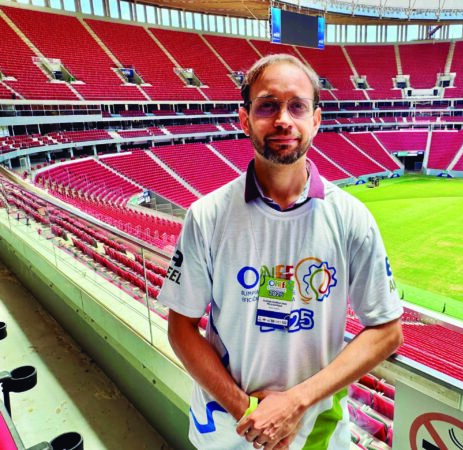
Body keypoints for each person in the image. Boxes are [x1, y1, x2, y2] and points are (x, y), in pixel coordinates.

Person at [158, 53, 404, 450]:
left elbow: (388, 331)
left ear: (316, 120)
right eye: (267, 106)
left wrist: (296, 402)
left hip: (317, 434)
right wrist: (249, 412)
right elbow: (180, 329)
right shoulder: (207, 216)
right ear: (244, 118)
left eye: (297, 106)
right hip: (227, 432)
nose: (283, 120)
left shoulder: (351, 218)